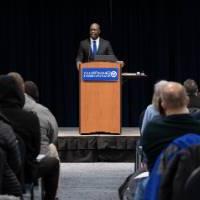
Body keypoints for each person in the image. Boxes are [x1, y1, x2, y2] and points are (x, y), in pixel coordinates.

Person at [5, 73, 59, 200]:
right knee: (53, 157)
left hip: (5, 170)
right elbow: (47, 141)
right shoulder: (32, 117)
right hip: (25, 171)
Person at [141, 81, 200, 171]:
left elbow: (147, 156)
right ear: (187, 100)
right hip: (192, 182)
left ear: (162, 104)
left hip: (159, 181)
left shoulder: (151, 129)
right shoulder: (197, 127)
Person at [23, 80, 59, 159]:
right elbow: (54, 135)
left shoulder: (7, 111)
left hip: (17, 161)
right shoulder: (45, 111)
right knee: (52, 148)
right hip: (42, 158)